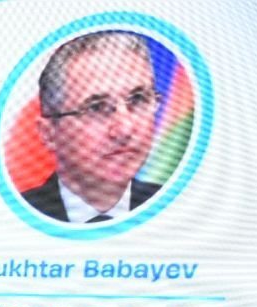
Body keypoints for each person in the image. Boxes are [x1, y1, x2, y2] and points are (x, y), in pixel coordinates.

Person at [22, 30, 162, 223]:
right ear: (49, 134)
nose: (125, 129)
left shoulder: (177, 204)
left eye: (138, 99)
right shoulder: (10, 218)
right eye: (96, 108)